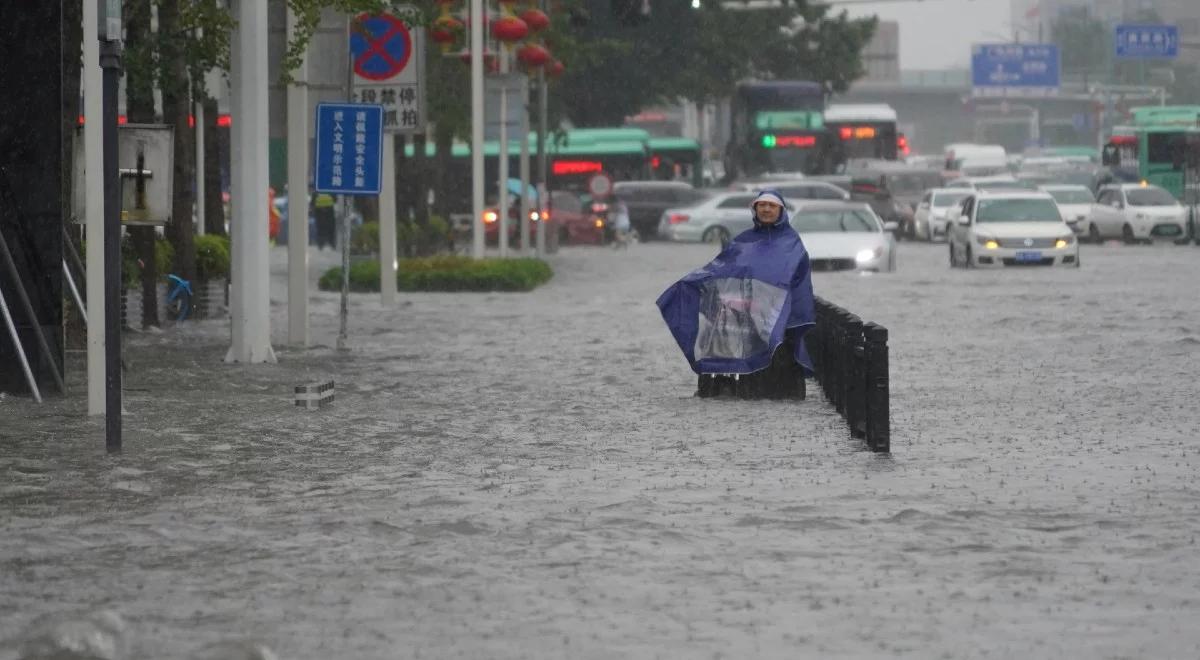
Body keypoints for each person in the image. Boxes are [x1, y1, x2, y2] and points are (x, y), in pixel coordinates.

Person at [656, 188, 815, 398]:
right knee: (747, 376)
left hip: (779, 322)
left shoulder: (792, 243)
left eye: (772, 206)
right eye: (762, 205)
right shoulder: (742, 242)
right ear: (755, 209)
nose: (766, 209)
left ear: (781, 210)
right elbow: (721, 269)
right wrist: (693, 283)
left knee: (778, 377)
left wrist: (794, 318)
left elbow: (799, 282)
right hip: (745, 322)